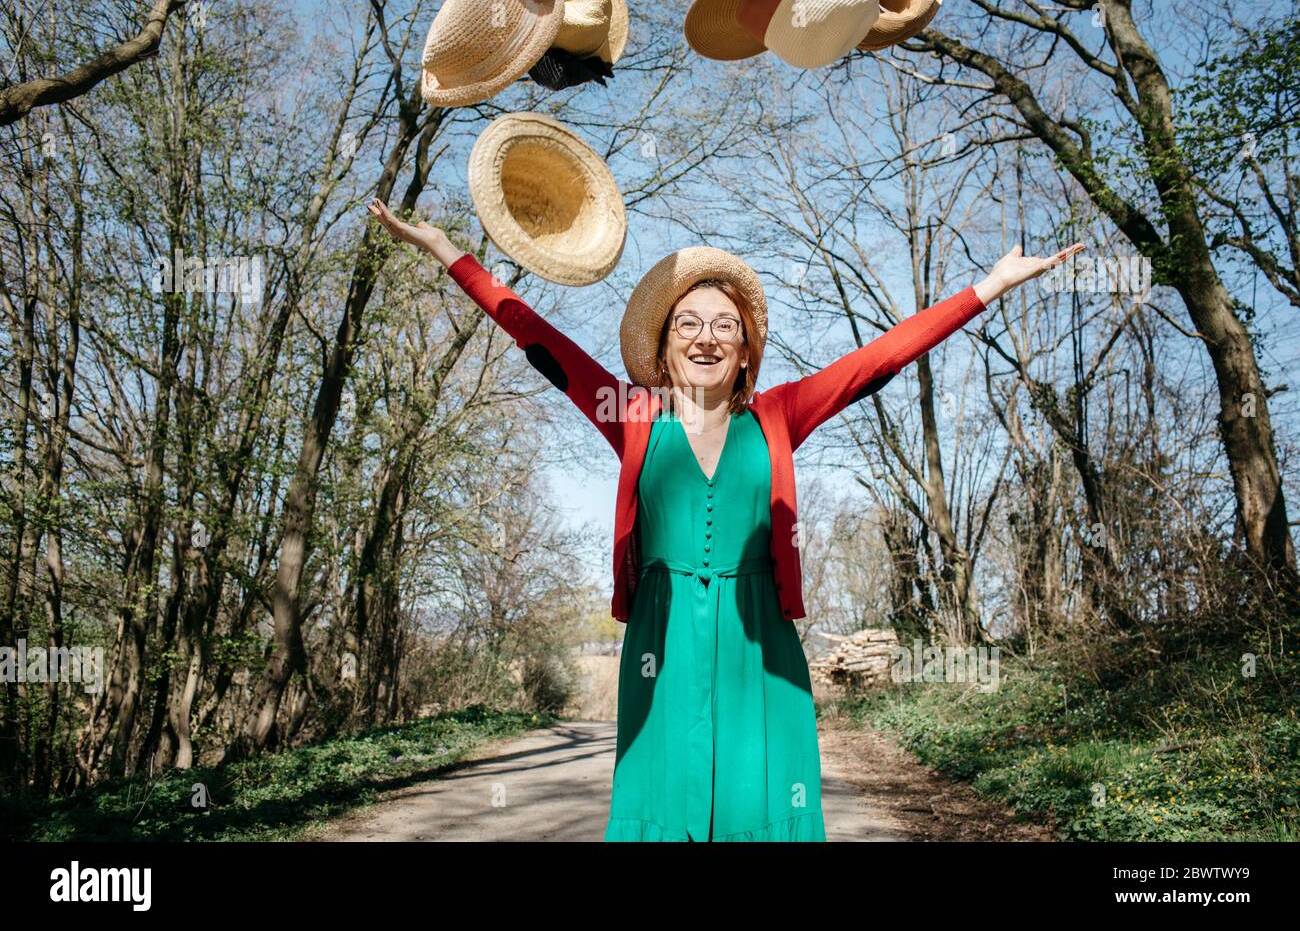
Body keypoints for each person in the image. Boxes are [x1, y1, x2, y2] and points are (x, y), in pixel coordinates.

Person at [368, 195, 1083, 840]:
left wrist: (989, 286)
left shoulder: (779, 416)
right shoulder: (634, 416)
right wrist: (444, 250)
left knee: (761, 799)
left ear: (745, 352)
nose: (705, 337)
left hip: (758, 641)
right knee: (662, 802)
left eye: (724, 327)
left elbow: (881, 358)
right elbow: (538, 339)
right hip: (663, 635)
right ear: (665, 343)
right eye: (688, 323)